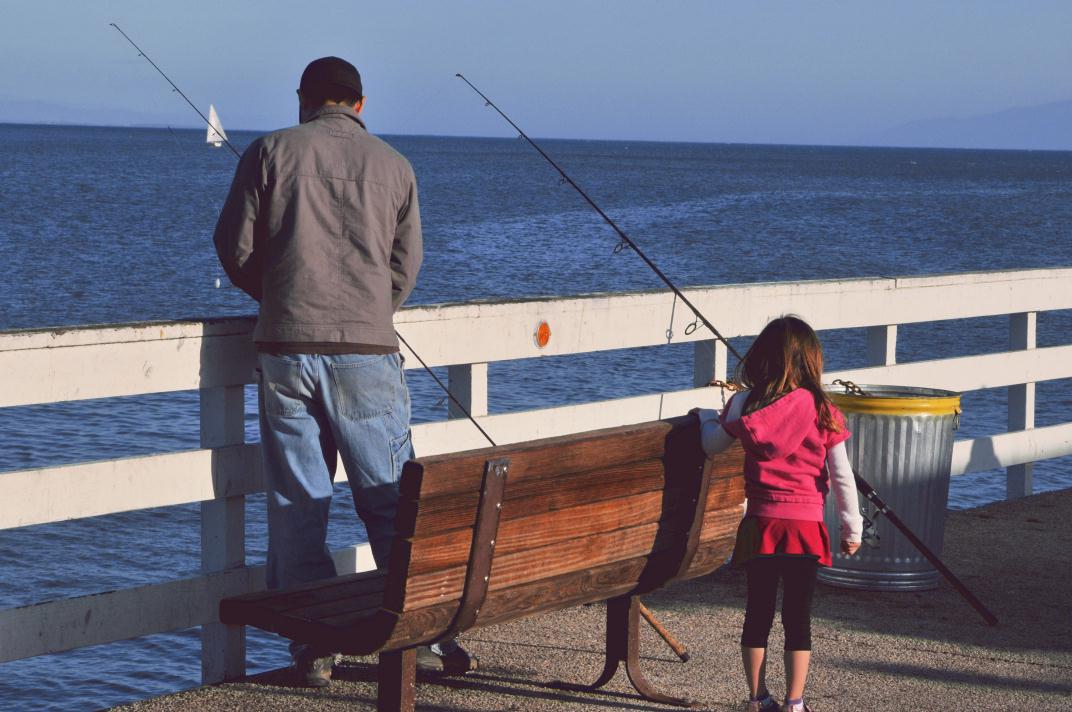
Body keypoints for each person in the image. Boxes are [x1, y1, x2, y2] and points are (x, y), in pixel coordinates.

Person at [213, 56, 475, 687]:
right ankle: (417, 632)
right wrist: (366, 307)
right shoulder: (395, 165)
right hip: (368, 352)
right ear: (360, 104)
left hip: (284, 348)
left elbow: (234, 247)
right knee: (389, 498)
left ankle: (313, 646)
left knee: (299, 501)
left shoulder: (269, 151)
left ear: (306, 101)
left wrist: (281, 299)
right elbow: (405, 265)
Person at [695, 316, 863, 712]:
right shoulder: (823, 409)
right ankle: (795, 702)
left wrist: (707, 417)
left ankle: (757, 698)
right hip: (805, 527)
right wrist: (852, 527)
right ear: (810, 360)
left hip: (761, 524)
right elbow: (842, 476)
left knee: (757, 612)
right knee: (797, 617)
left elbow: (711, 446)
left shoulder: (745, 403)